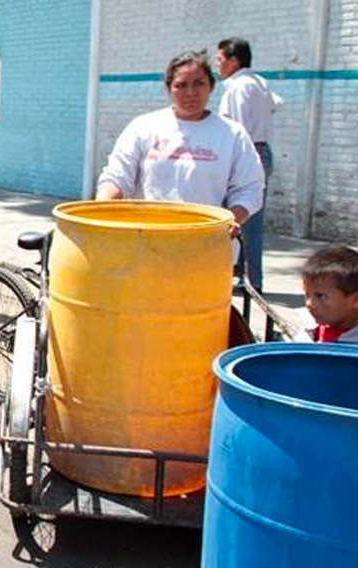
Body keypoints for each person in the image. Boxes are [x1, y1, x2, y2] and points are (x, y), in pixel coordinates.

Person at [96, 50, 265, 238]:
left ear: (211, 86)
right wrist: (99, 213)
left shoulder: (232, 134)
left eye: (199, 83)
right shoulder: (143, 127)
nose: (190, 92)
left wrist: (233, 218)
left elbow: (250, 188)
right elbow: (117, 176)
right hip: (144, 240)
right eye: (181, 85)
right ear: (169, 89)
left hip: (205, 240)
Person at [218, 37, 281, 291]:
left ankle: (252, 283)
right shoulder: (260, 82)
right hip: (262, 150)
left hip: (247, 153)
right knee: (247, 220)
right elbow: (275, 105)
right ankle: (245, 277)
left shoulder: (238, 87)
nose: (218, 65)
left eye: (220, 60)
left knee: (243, 219)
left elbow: (239, 129)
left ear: (234, 61)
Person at [295, 245, 358, 344]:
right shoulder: (309, 332)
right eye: (307, 294)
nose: (309, 303)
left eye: (320, 296)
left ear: (355, 299)